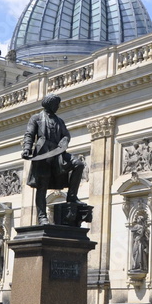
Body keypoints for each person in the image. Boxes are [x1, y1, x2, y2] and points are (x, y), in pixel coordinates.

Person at [21, 93, 88, 226]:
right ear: (49, 104)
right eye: (56, 104)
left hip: (58, 153)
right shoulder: (36, 118)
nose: (58, 106)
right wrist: (27, 149)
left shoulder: (59, 121)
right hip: (43, 154)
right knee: (42, 186)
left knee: (78, 164)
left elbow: (66, 135)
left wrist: (63, 142)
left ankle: (72, 197)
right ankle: (42, 217)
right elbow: (29, 134)